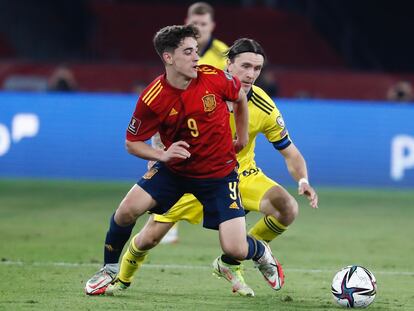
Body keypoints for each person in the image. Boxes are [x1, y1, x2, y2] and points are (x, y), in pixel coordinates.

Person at [103, 38, 318, 297]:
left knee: (286, 208)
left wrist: (303, 180)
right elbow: (164, 115)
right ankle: (121, 279)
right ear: (229, 64)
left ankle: (231, 262)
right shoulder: (199, 85)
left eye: (257, 68)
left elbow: (290, 152)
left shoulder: (264, 106)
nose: (251, 74)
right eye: (245, 66)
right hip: (188, 175)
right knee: (149, 238)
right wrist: (159, 153)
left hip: (239, 175)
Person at [158, 1, 229, 244]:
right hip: (181, 122)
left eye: (203, 23)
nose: (198, 27)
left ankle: (229, 223)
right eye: (194, 23)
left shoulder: (223, 53)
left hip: (213, 127)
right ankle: (167, 224)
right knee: (173, 169)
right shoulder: (180, 49)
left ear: (212, 26)